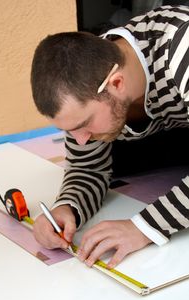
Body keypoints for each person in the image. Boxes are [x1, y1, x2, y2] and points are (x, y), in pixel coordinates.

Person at [30, 5, 189, 268]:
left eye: (83, 123)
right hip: (175, 125)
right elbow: (88, 168)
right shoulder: (88, 83)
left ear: (116, 83)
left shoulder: (180, 46)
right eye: (69, 131)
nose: (79, 140)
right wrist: (67, 207)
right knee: (117, 154)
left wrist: (144, 227)